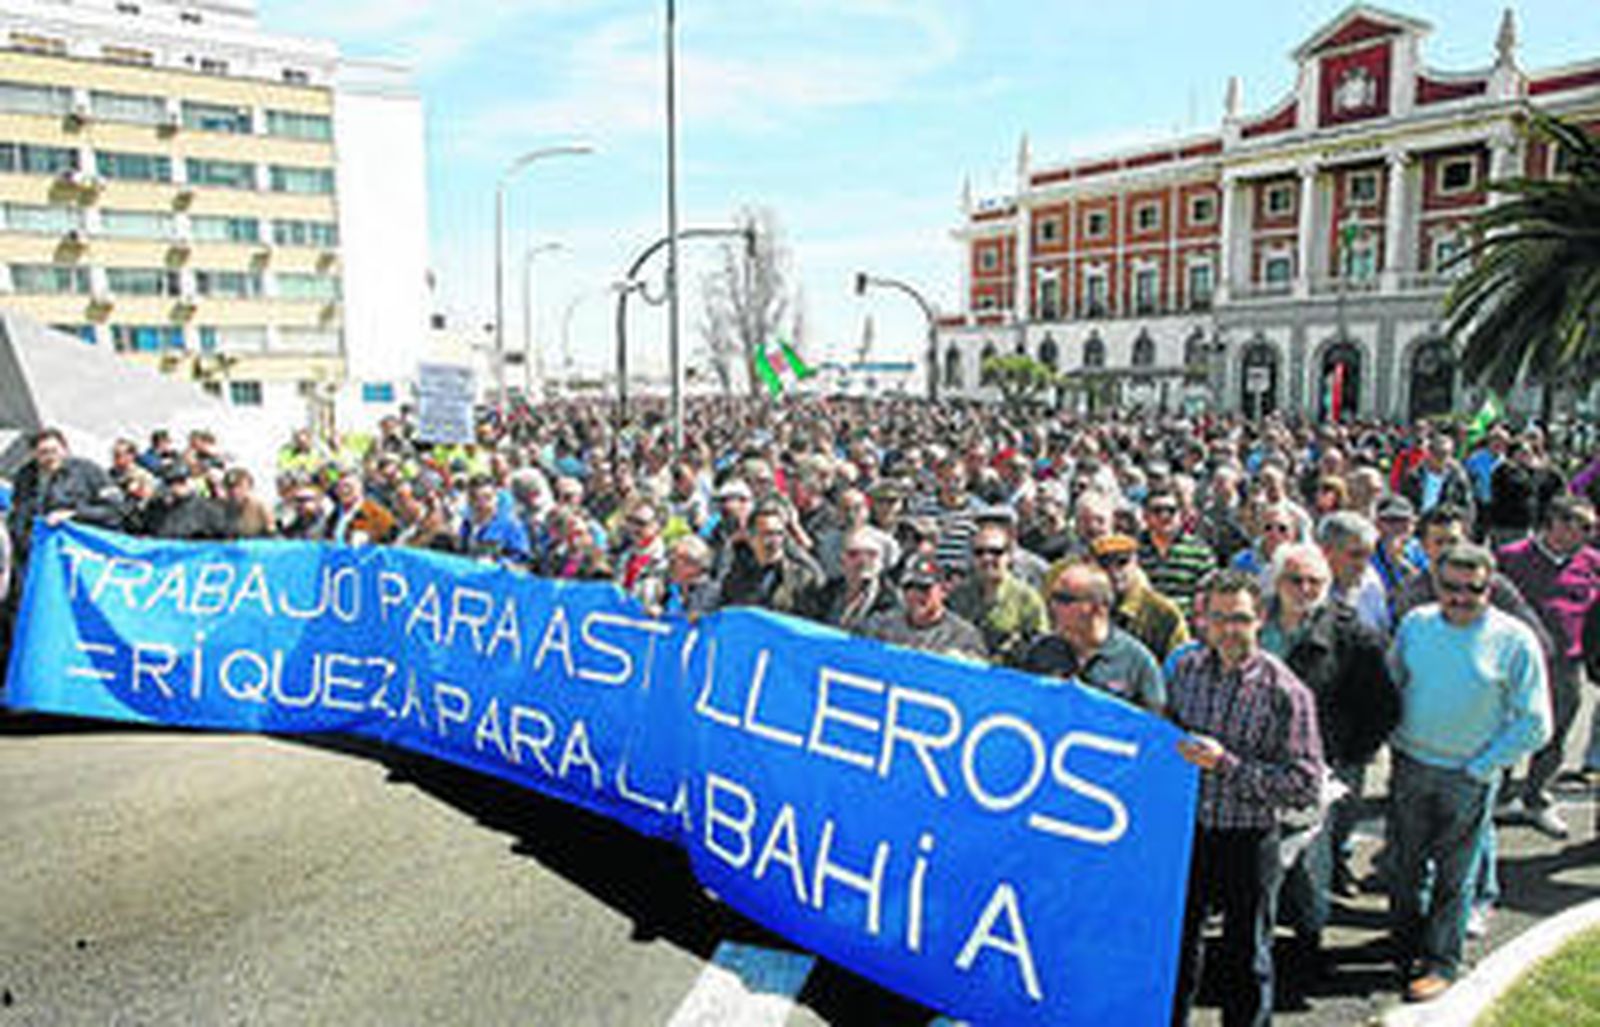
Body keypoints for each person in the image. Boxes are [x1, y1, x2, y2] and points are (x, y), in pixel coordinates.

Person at [1386, 543, 1551, 1004]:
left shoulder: (1514, 639)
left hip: (1468, 775)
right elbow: (1392, 683)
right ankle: (1406, 945)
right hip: (1411, 766)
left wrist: (1483, 766)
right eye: (1450, 587)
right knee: (1403, 868)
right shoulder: (1416, 625)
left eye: (1473, 589)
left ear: (1490, 586)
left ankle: (1442, 961)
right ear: (1436, 583)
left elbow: (1536, 722)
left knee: (1455, 879)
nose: (1460, 597)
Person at [1169, 569, 1326, 1027]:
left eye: (1238, 618)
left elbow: (1303, 783)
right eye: (1217, 618)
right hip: (1191, 833)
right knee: (1179, 948)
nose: (1227, 629)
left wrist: (1226, 765)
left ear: (1259, 617)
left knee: (1246, 955)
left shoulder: (1286, 691)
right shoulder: (1185, 671)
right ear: (1202, 620)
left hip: (1250, 838)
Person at [1261, 543, 1398, 969]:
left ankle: (1308, 940)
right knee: (1259, 857)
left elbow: (1382, 705)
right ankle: (1258, 933)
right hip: (1256, 763)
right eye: (1294, 579)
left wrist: (1347, 755)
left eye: (1314, 582)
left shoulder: (1351, 633)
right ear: (1275, 581)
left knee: (1310, 862)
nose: (1304, 589)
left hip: (1319, 766)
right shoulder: (1253, 622)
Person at [1495, 496, 1600, 839]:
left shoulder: (1592, 562)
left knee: (1555, 735)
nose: (1589, 533)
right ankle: (1497, 796)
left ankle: (1536, 798)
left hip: (1567, 664)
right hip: (1515, 664)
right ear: (1556, 522)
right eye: (1582, 525)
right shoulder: (1512, 557)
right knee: (1506, 729)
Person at [1016, 559, 1164, 712]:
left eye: (1064, 600)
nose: (1053, 606)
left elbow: (1152, 725)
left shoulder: (1137, 663)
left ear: (1098, 608)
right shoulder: (1041, 652)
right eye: (1052, 598)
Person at [7, 428, 124, 565]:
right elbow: (19, 512)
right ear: (34, 454)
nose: (50, 457)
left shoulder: (88, 471)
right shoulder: (24, 476)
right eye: (43, 453)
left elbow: (116, 510)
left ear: (65, 449)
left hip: (80, 554)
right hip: (36, 555)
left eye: (54, 451)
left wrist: (74, 514)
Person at [946, 520, 1047, 664]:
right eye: (979, 552)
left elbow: (1040, 649)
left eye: (996, 552)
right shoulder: (959, 596)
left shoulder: (1028, 599)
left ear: (1009, 556)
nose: (987, 558)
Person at [862, 554, 986, 660]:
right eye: (909, 587)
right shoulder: (881, 626)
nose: (916, 595)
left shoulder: (963, 636)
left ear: (943, 591)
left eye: (924, 588)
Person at [1091, 533, 1190, 661]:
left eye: (1122, 562)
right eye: (1104, 564)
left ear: (1136, 563)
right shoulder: (1085, 607)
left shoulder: (1163, 612)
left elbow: (1181, 664)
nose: (1113, 571)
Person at [718, 501, 825, 617]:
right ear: (751, 538)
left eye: (779, 534)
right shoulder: (737, 579)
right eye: (767, 534)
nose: (775, 540)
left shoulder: (802, 579)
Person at [1138, 487, 1216, 617]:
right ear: (1145, 516)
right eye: (1157, 511)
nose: (1165, 516)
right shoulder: (1135, 550)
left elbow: (1207, 593)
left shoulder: (1200, 551)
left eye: (1171, 510)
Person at [1317, 511, 1390, 635]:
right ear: (1327, 552)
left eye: (1368, 556)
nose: (1363, 565)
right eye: (1355, 555)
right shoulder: (1304, 585)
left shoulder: (1371, 583)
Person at [815, 529, 899, 631]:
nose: (863, 561)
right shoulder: (825, 592)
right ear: (842, 560)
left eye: (871, 554)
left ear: (881, 562)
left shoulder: (891, 603)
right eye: (853, 554)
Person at [459, 474, 532, 565]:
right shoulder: (467, 524)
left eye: (487, 498)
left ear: (496, 498)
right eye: (475, 498)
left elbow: (522, 560)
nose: (481, 504)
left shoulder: (511, 525)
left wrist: (497, 563)